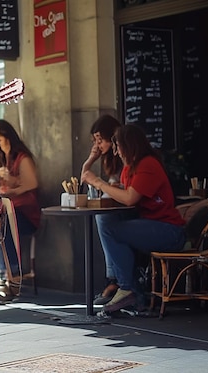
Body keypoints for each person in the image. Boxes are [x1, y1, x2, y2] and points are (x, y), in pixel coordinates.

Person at [81, 124, 186, 313]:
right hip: (152, 225)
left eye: (118, 146)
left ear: (129, 145)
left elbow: (130, 198)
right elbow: (125, 195)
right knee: (106, 222)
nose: (116, 152)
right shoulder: (129, 169)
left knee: (112, 230)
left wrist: (98, 182)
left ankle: (127, 288)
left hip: (169, 230)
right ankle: (130, 290)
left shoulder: (148, 164)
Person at [0, 119, 40, 300]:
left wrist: (12, 189)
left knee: (3, 226)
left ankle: (12, 279)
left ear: (6, 136)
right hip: (10, 212)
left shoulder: (22, 158)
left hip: (26, 214)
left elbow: (32, 184)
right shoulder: (2, 159)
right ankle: (8, 276)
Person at [80, 114, 124, 305]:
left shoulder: (123, 157)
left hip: (127, 210)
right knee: (101, 218)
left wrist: (98, 183)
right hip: (117, 208)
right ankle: (112, 279)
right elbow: (83, 177)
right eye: (95, 141)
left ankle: (113, 279)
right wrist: (90, 160)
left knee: (103, 219)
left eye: (100, 139)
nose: (98, 145)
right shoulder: (109, 160)